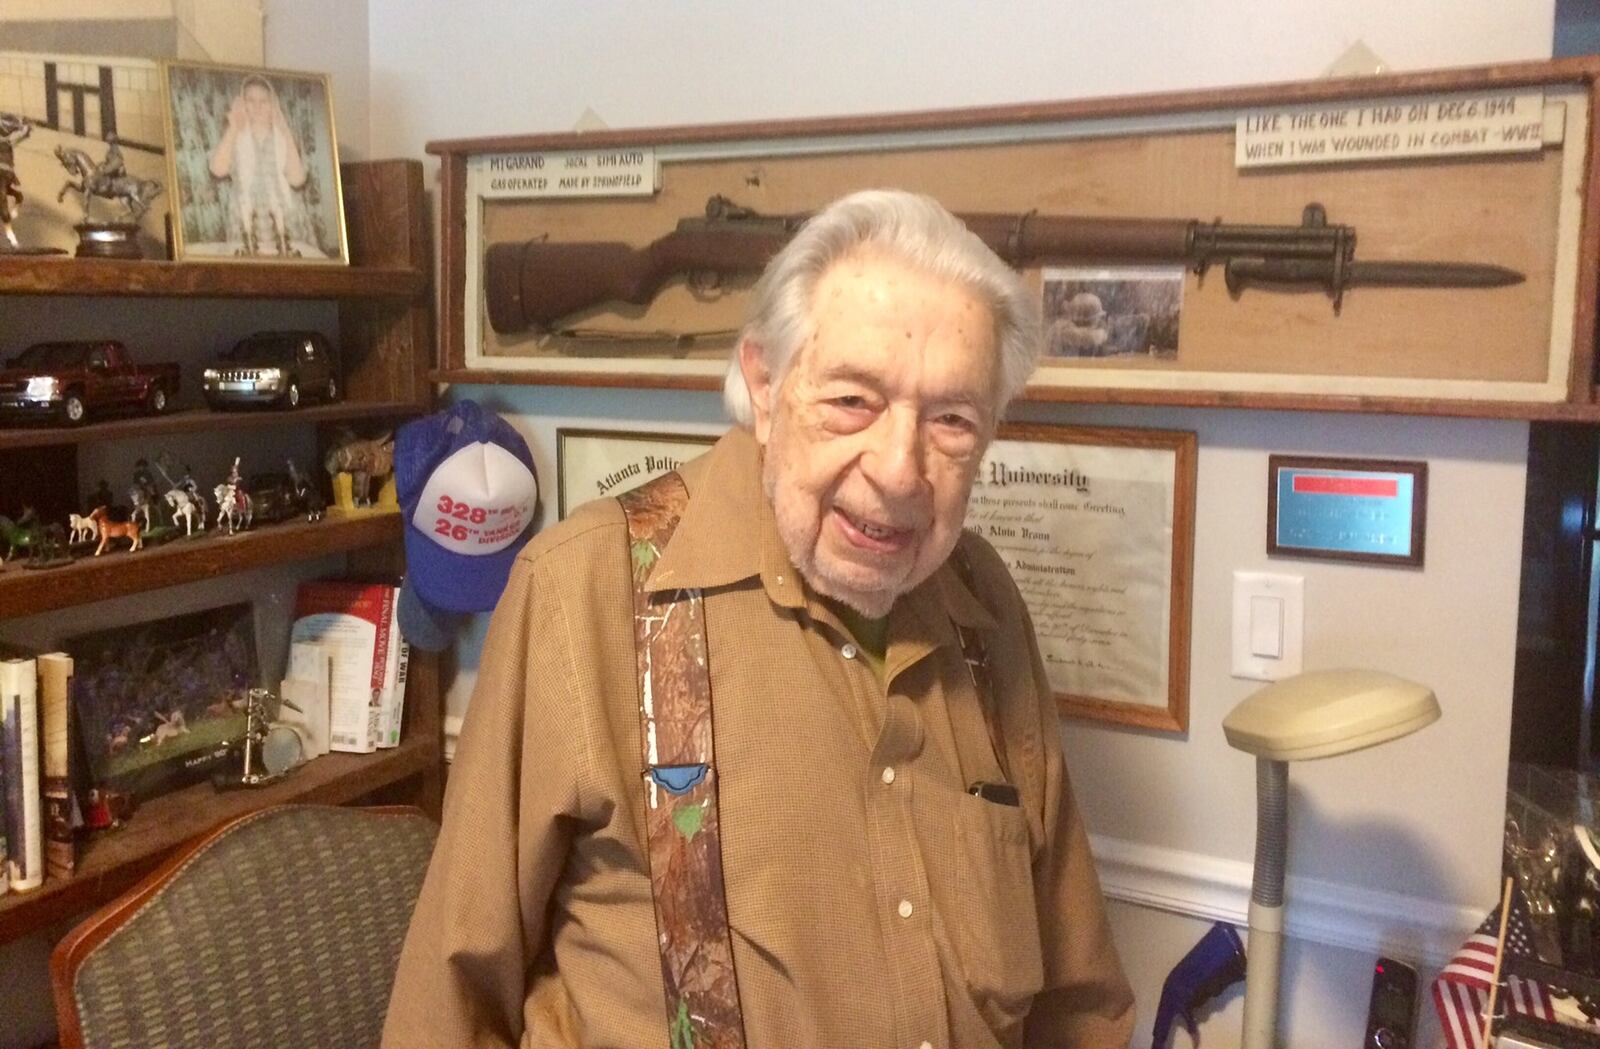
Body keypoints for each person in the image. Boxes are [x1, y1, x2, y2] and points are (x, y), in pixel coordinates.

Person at [384, 189, 1135, 1048]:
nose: (899, 470)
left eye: (952, 420)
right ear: (765, 385)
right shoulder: (580, 592)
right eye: (853, 400)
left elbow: (1079, 1002)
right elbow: (448, 1005)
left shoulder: (987, 604)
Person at [207, 74, 307, 257]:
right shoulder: (234, 137)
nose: (257, 106)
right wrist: (234, 126)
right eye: (250, 100)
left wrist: (284, 129)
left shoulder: (284, 138)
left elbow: (297, 179)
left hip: (285, 224)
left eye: (264, 101)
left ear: (273, 105)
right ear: (241, 104)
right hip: (245, 225)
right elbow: (217, 169)